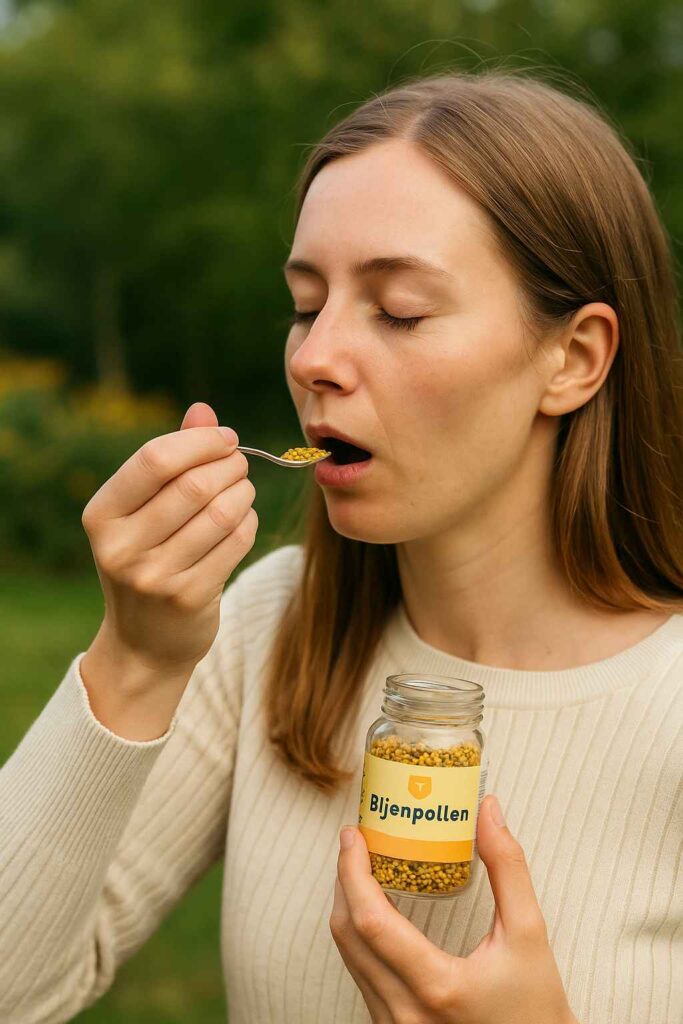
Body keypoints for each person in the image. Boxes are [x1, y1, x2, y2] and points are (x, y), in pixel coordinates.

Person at [1, 68, 681, 1024]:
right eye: (305, 303)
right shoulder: (267, 630)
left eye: (398, 309)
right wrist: (137, 658)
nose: (314, 357)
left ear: (571, 359)